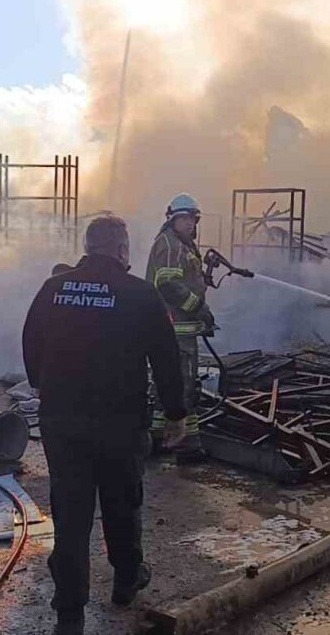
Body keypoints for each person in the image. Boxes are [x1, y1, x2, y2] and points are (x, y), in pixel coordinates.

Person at [22, 215, 187, 635]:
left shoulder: (54, 289)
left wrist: (42, 383)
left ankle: (70, 615)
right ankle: (127, 581)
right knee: (122, 504)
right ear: (121, 250)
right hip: (120, 425)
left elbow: (30, 342)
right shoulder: (140, 294)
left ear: (87, 246)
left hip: (63, 424)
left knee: (70, 515)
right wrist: (175, 413)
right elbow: (166, 359)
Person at [145, 193, 214, 464]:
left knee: (170, 385)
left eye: (193, 219)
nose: (190, 223)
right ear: (172, 219)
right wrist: (199, 308)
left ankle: (158, 438)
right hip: (175, 331)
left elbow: (184, 281)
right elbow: (168, 285)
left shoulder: (183, 246)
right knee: (183, 386)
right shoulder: (170, 244)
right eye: (184, 218)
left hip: (180, 330)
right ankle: (186, 447)